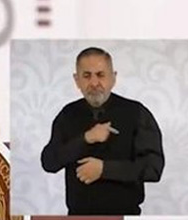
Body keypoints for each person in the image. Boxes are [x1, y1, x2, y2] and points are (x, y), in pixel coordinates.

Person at [40, 47, 164, 215]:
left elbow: (153, 168)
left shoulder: (137, 113)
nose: (94, 83)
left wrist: (104, 169)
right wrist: (85, 138)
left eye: (100, 75)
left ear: (113, 78)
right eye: (86, 76)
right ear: (77, 80)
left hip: (124, 215)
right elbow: (49, 162)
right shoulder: (67, 114)